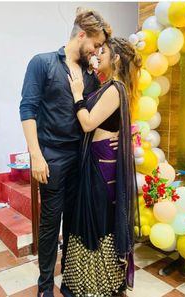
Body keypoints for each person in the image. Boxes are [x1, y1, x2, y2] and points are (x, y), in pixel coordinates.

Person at [19, 9, 112, 297]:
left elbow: (98, 113)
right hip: (52, 158)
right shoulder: (43, 63)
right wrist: (35, 154)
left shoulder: (90, 73)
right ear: (81, 35)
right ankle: (45, 287)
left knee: (74, 222)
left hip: (82, 158)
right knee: (50, 224)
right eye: (95, 44)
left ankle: (70, 281)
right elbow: (27, 109)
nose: (97, 51)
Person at [61, 37, 142, 297]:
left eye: (103, 51)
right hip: (97, 157)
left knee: (97, 220)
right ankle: (89, 281)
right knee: (92, 218)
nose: (98, 54)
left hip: (100, 163)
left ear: (115, 58)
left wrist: (76, 94)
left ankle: (97, 285)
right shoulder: (107, 86)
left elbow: (87, 123)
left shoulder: (115, 88)